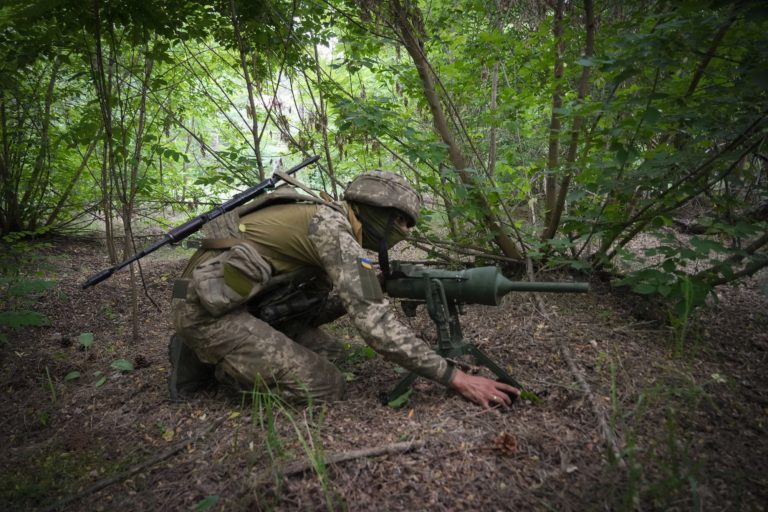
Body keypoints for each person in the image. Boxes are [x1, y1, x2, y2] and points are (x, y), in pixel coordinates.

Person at [169, 169, 519, 408]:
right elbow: (374, 326)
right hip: (206, 311)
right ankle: (217, 369)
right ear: (373, 210)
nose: (405, 232)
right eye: (400, 221)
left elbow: (311, 308)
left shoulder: (326, 221)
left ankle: (212, 350)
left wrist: (369, 287)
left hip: (233, 302)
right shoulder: (330, 227)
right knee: (326, 385)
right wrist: (455, 377)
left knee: (337, 353)